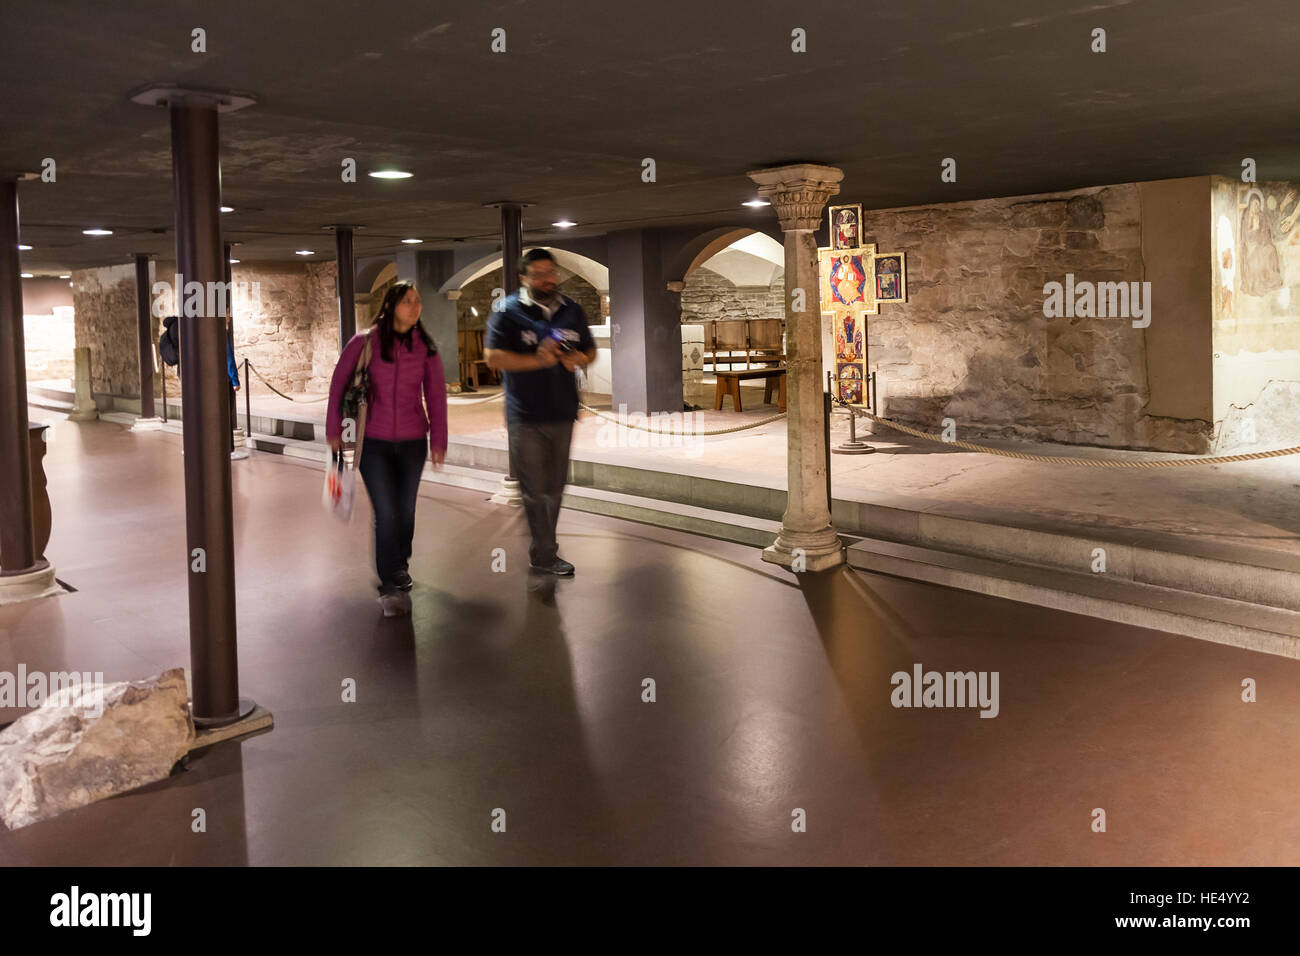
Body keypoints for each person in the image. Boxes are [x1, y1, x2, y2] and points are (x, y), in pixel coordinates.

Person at [326, 281, 448, 617]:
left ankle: (399, 564)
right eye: (408, 301)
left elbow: (436, 395)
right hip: (374, 442)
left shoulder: (425, 347)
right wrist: (333, 428)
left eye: (417, 301)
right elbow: (339, 383)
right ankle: (389, 585)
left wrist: (439, 439)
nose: (415, 307)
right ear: (391, 306)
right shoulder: (364, 342)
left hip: (412, 443)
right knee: (386, 512)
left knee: (405, 512)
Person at [485, 249, 596, 588]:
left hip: (563, 412)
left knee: (555, 486)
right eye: (538, 274)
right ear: (524, 277)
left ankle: (544, 548)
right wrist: (538, 360)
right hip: (526, 415)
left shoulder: (572, 310)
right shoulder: (507, 312)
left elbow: (590, 351)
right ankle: (546, 553)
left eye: (551, 272)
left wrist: (578, 359)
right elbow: (492, 357)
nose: (546, 279)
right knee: (535, 489)